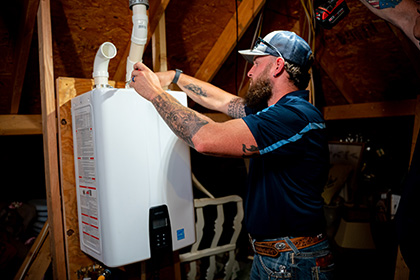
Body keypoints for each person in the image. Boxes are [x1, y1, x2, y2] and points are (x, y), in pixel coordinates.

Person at [130, 30, 333, 279]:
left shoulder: (295, 117)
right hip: (277, 255)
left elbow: (205, 139)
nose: (249, 71)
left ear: (277, 65)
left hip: (292, 260)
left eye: (256, 63)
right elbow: (222, 102)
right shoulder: (277, 112)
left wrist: (153, 93)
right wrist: (176, 77)